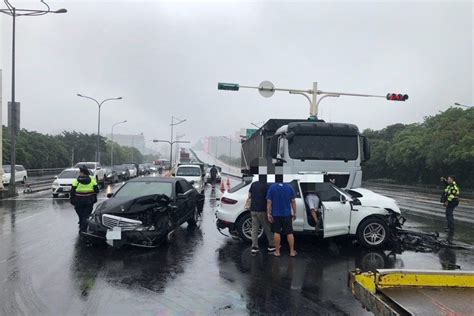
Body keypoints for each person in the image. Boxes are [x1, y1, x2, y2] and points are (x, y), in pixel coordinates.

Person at [245, 175, 276, 254]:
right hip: (262, 210)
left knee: (254, 229)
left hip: (253, 210)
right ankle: (271, 245)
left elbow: (249, 195)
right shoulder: (267, 186)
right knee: (267, 228)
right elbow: (269, 199)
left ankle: (254, 247)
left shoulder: (254, 184)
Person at [267, 179, 297, 257]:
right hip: (287, 214)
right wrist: (295, 212)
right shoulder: (289, 187)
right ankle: (292, 251)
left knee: (277, 232)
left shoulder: (272, 187)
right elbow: (293, 201)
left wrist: (268, 214)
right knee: (289, 232)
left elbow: (269, 202)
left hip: (276, 214)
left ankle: (277, 251)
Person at [71, 165, 99, 233]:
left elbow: (72, 192)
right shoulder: (92, 180)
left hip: (78, 201)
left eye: (80, 172)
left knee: (81, 214)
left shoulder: (76, 181)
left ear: (83, 173)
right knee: (86, 215)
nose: (79, 173)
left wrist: (72, 200)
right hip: (89, 201)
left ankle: (82, 226)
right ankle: (83, 228)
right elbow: (96, 190)